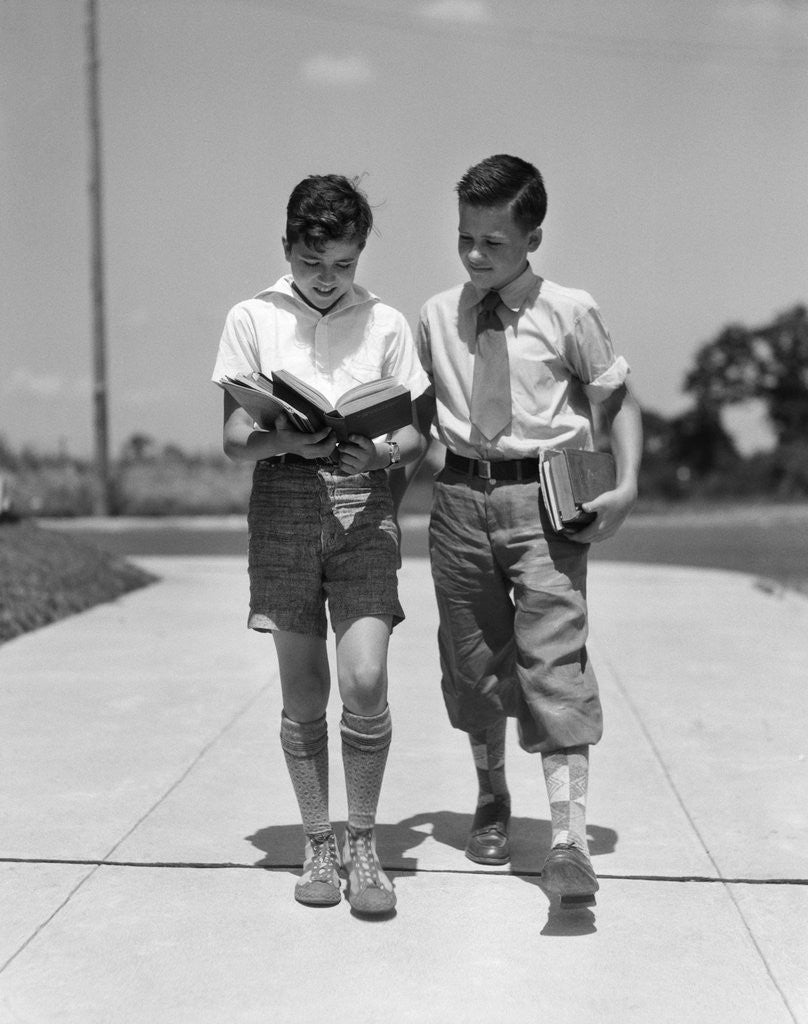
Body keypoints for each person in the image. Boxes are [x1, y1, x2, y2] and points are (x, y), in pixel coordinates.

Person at [404, 154, 642, 908]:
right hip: (458, 500)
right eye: (465, 238)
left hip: (546, 501)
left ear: (533, 238)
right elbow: (415, 426)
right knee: (473, 667)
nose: (475, 256)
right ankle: (491, 796)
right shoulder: (436, 316)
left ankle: (569, 842)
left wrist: (628, 486)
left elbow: (617, 402)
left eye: (493, 243)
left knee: (554, 662)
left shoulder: (570, 311)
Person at [212, 174, 429, 915]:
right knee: (304, 688)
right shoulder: (251, 317)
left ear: (360, 252)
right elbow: (234, 439)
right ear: (287, 247)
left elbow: (413, 435)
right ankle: (317, 843)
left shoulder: (387, 323)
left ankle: (363, 844)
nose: (328, 278)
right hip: (283, 505)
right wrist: (287, 440)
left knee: (364, 678)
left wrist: (381, 453)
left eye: (343, 263)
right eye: (312, 263)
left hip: (364, 505)